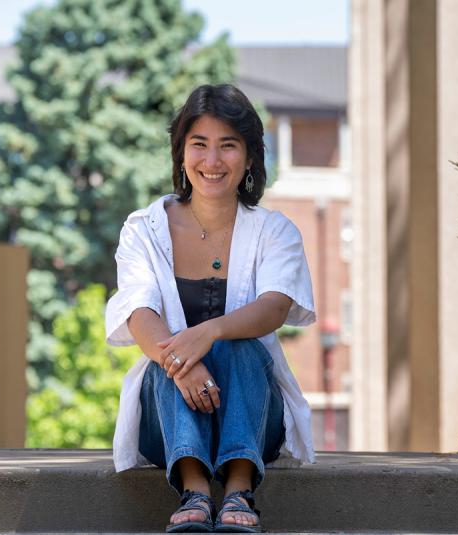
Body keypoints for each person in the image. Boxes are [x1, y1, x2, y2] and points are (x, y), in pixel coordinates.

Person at [105, 84, 315, 533]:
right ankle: (194, 489)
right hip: (167, 414)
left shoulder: (275, 231)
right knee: (163, 357)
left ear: (250, 156)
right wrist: (181, 362)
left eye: (228, 146)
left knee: (241, 346)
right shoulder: (143, 228)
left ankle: (240, 488)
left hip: (256, 414)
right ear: (181, 153)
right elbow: (139, 310)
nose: (212, 162)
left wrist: (209, 332)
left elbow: (274, 306)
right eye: (199, 145)